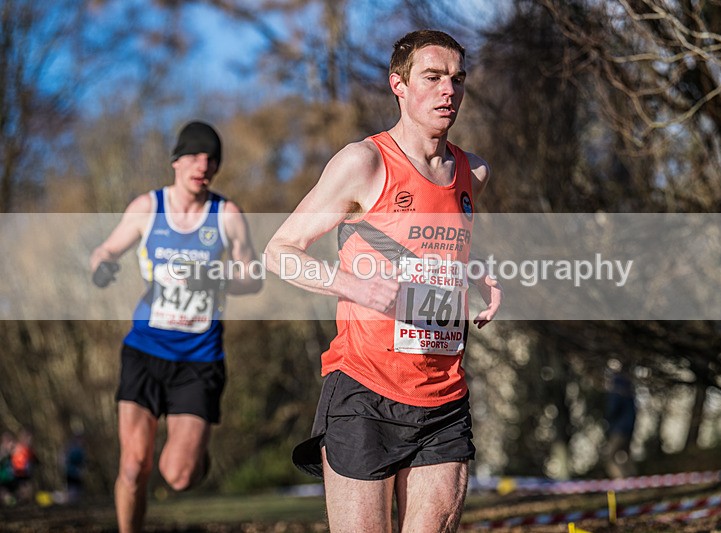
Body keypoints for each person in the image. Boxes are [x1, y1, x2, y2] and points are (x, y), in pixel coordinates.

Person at [266, 29, 502, 532]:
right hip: (365, 392)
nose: (448, 91)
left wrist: (481, 273)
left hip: (443, 395)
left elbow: (440, 239)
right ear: (398, 85)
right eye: (432, 77)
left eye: (457, 79)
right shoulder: (364, 163)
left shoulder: (472, 171)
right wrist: (353, 286)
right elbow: (279, 252)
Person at [90, 120, 262, 533]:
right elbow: (107, 249)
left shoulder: (226, 214)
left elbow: (253, 276)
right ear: (176, 161)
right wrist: (103, 265)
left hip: (200, 359)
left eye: (212, 159)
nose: (203, 165)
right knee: (133, 467)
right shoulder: (148, 208)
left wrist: (215, 279)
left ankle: (196, 452)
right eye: (195, 156)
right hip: (145, 351)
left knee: (178, 476)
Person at [602, 366, 637, 479]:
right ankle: (634, 480)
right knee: (626, 456)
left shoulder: (616, 391)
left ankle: (620, 480)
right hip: (629, 429)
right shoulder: (629, 393)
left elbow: (612, 410)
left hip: (618, 429)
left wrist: (607, 420)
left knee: (610, 457)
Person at [64, 432, 86, 504]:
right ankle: (72, 503)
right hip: (73, 472)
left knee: (75, 488)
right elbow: (72, 460)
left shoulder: (76, 448)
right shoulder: (75, 449)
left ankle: (74, 503)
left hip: (74, 472)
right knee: (73, 489)